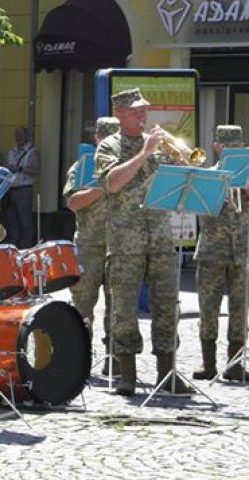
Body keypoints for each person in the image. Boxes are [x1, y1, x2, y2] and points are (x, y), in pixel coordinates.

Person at [94, 87, 193, 396]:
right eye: (136, 110)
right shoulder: (109, 147)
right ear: (120, 113)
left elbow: (188, 175)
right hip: (125, 242)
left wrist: (185, 167)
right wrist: (144, 153)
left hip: (161, 237)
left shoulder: (161, 145)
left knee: (166, 304)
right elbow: (112, 183)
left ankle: (168, 373)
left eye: (143, 110)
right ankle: (127, 376)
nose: (142, 114)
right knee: (123, 308)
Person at [62, 117, 120, 376]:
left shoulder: (125, 167)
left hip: (119, 246)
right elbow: (73, 203)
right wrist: (101, 185)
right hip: (88, 245)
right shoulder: (82, 167)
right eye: (104, 138)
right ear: (96, 139)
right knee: (82, 306)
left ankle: (115, 362)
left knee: (118, 308)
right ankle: (79, 361)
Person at [193, 125, 249, 381]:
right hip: (212, 252)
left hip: (243, 251)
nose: (231, 150)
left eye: (237, 147)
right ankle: (208, 364)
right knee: (208, 308)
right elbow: (199, 211)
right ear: (217, 147)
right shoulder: (207, 177)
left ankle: (235, 365)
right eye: (227, 147)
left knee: (240, 309)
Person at [2, 126, 39, 248]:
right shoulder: (11, 152)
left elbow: (36, 169)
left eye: (21, 135)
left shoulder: (31, 152)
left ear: (27, 136)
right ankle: (13, 245)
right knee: (11, 220)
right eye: (16, 135)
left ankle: (26, 246)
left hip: (24, 189)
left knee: (25, 220)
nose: (18, 137)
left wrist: (19, 168)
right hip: (11, 189)